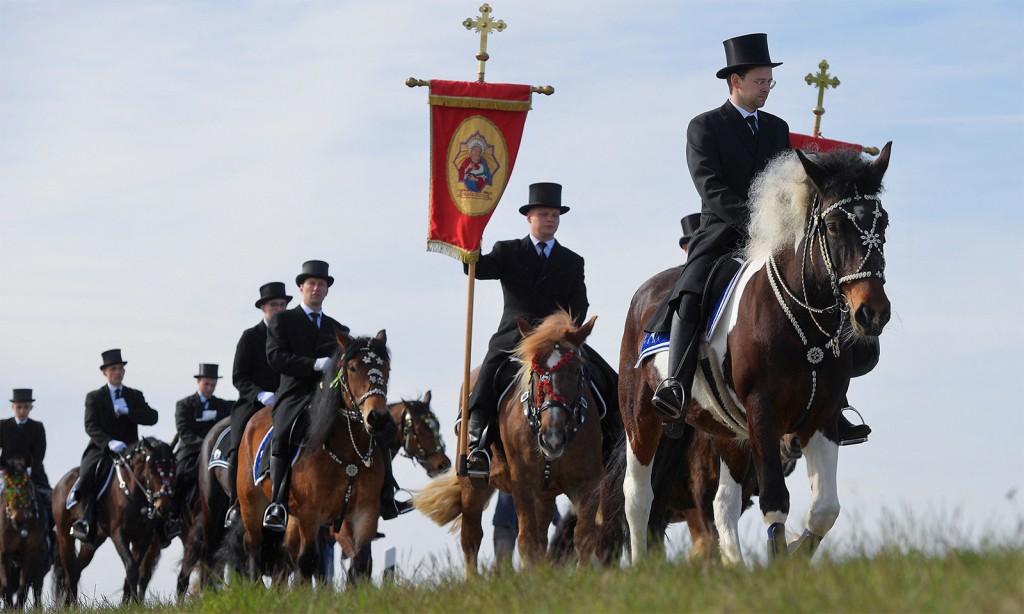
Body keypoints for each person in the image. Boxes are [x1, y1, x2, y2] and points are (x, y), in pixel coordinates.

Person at [649, 33, 870, 444]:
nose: (767, 88)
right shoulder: (704, 126)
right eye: (761, 81)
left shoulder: (776, 128)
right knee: (692, 289)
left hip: (776, 234)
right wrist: (753, 220)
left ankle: (835, 402)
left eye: (770, 82)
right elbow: (709, 185)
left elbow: (785, 180)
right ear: (736, 80)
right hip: (720, 232)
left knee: (820, 283)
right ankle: (675, 385)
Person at [263, 260, 411, 531]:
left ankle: (388, 493)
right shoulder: (283, 320)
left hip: (332, 395)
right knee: (284, 432)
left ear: (327, 291)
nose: (316, 288)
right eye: (312, 284)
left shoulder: (337, 327)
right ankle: (278, 502)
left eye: (321, 284)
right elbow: (275, 357)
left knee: (383, 428)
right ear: (301, 288)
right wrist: (314, 364)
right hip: (296, 393)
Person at [463, 182, 589, 478]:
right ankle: (477, 439)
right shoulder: (508, 251)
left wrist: (563, 330)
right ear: (528, 217)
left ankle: (614, 439)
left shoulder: (572, 261)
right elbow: (478, 269)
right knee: (489, 373)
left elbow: (580, 305)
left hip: (560, 340)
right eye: (544, 214)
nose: (550, 219)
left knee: (602, 376)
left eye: (555, 215)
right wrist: (471, 242)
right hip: (515, 336)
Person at [71, 349, 162, 542]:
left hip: (132, 450)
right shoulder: (94, 397)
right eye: (113, 369)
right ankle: (85, 521)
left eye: (121, 368)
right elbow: (90, 426)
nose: (118, 372)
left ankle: (163, 523)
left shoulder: (134, 395)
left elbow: (152, 417)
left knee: (156, 472)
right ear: (105, 372)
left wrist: (129, 412)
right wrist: (108, 442)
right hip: (102, 449)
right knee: (87, 475)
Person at [223, 281, 291, 528]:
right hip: (253, 403)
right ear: (263, 308)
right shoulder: (250, 337)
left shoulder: (290, 337)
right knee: (237, 444)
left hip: (285, 401)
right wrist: (260, 394)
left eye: (283, 305)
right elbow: (238, 377)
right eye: (274, 305)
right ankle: (234, 505)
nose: (279, 309)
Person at [173, 363, 233, 521]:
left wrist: (217, 414)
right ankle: (172, 516)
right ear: (198, 382)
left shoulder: (222, 405)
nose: (210, 388)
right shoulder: (184, 405)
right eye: (206, 384)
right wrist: (204, 444)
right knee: (178, 475)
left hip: (217, 450)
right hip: (190, 450)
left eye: (213, 384)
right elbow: (183, 432)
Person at [1, 388, 53, 539]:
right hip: (6, 472)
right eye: (19, 407)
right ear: (13, 407)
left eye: (25, 407)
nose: (22, 410)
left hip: (32, 471)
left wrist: (30, 469)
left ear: (31, 407)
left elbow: (39, 452)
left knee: (50, 501)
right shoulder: (3, 425)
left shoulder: (37, 427)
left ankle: (51, 536)